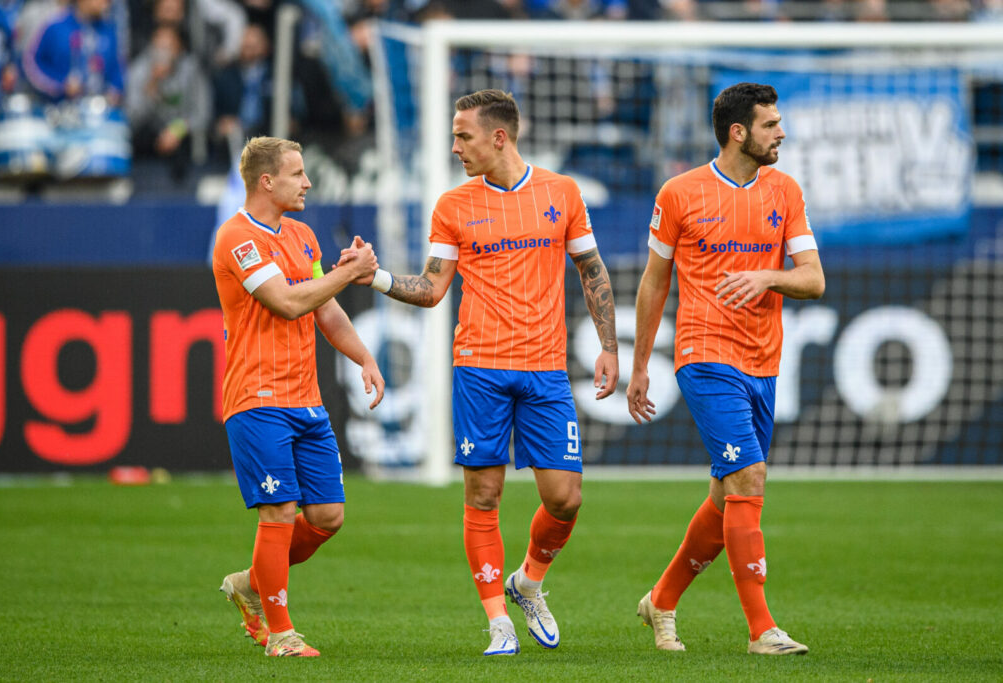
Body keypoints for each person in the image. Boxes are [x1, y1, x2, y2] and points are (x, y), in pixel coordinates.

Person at [347, 89, 619, 656]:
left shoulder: (561, 192)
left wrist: (609, 346)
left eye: (463, 136)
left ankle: (528, 583)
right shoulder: (453, 205)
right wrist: (373, 278)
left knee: (566, 498)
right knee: (484, 495)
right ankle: (498, 619)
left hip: (545, 369)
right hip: (480, 367)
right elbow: (430, 288)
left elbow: (591, 269)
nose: (454, 147)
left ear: (500, 137)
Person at [626, 82, 825, 655]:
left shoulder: (784, 191)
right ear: (738, 132)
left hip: (763, 361)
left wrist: (768, 276)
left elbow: (813, 279)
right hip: (704, 354)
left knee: (725, 495)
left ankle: (661, 600)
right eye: (770, 125)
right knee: (749, 480)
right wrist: (641, 364)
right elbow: (655, 281)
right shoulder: (680, 193)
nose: (780, 132)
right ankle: (762, 629)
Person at [212, 136, 385, 657]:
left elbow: (324, 310)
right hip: (257, 398)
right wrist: (348, 272)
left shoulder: (304, 236)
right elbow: (287, 303)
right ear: (268, 181)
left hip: (304, 398)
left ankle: (250, 581)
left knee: (328, 516)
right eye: (298, 174)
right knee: (280, 512)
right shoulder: (238, 239)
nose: (308, 182)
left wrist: (364, 357)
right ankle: (280, 634)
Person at [125, 24, 211, 182]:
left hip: (182, 136)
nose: (163, 53)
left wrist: (176, 130)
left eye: (168, 47)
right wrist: (152, 85)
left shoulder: (192, 70)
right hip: (146, 135)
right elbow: (132, 117)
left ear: (179, 48)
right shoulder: (139, 69)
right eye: (158, 47)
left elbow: (203, 114)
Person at [21, 0, 124, 105]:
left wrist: (114, 90)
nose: (106, 2)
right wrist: (61, 85)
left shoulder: (109, 30)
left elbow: (117, 68)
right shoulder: (55, 27)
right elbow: (31, 63)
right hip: (58, 110)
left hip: (98, 111)